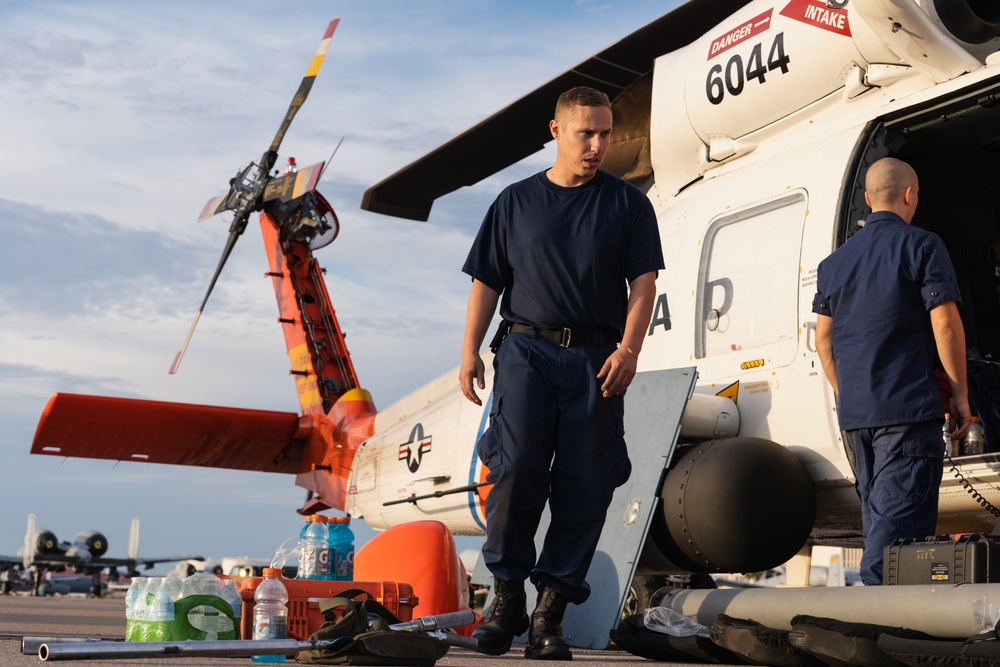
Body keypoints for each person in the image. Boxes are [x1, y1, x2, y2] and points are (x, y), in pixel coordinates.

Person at [459, 86, 663, 659]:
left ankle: (550, 612)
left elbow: (644, 284)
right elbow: (486, 283)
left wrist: (629, 349)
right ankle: (506, 597)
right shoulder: (514, 202)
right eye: (586, 133)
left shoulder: (628, 205)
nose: (598, 145)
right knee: (516, 469)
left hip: (597, 360)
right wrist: (470, 350)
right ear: (556, 131)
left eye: (605, 133)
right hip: (526, 352)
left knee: (586, 485)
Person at [812, 157, 971, 586]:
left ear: (866, 200)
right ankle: (879, 625)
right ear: (909, 195)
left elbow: (822, 341)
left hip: (857, 417)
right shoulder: (923, 246)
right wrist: (959, 395)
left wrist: (850, 393)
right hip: (906, 412)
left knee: (878, 518)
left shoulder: (833, 265)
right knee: (896, 543)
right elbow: (944, 322)